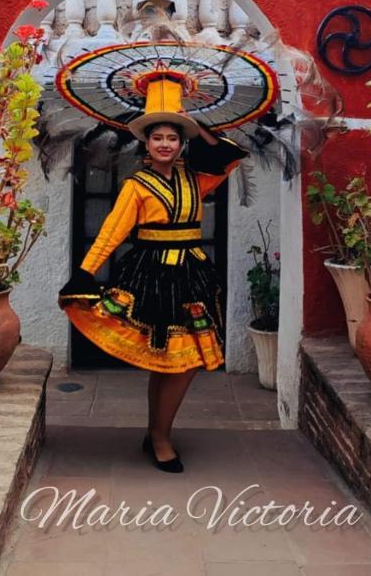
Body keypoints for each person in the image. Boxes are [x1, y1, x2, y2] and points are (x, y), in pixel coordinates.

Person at [57, 74, 248, 472]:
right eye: (157, 136)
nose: (165, 143)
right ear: (146, 143)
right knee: (167, 359)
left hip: (191, 275)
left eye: (173, 137)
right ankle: (160, 436)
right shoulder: (137, 186)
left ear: (182, 143)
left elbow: (229, 157)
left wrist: (192, 120)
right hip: (153, 275)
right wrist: (86, 272)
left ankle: (157, 431)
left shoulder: (197, 179)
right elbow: (112, 231)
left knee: (185, 362)